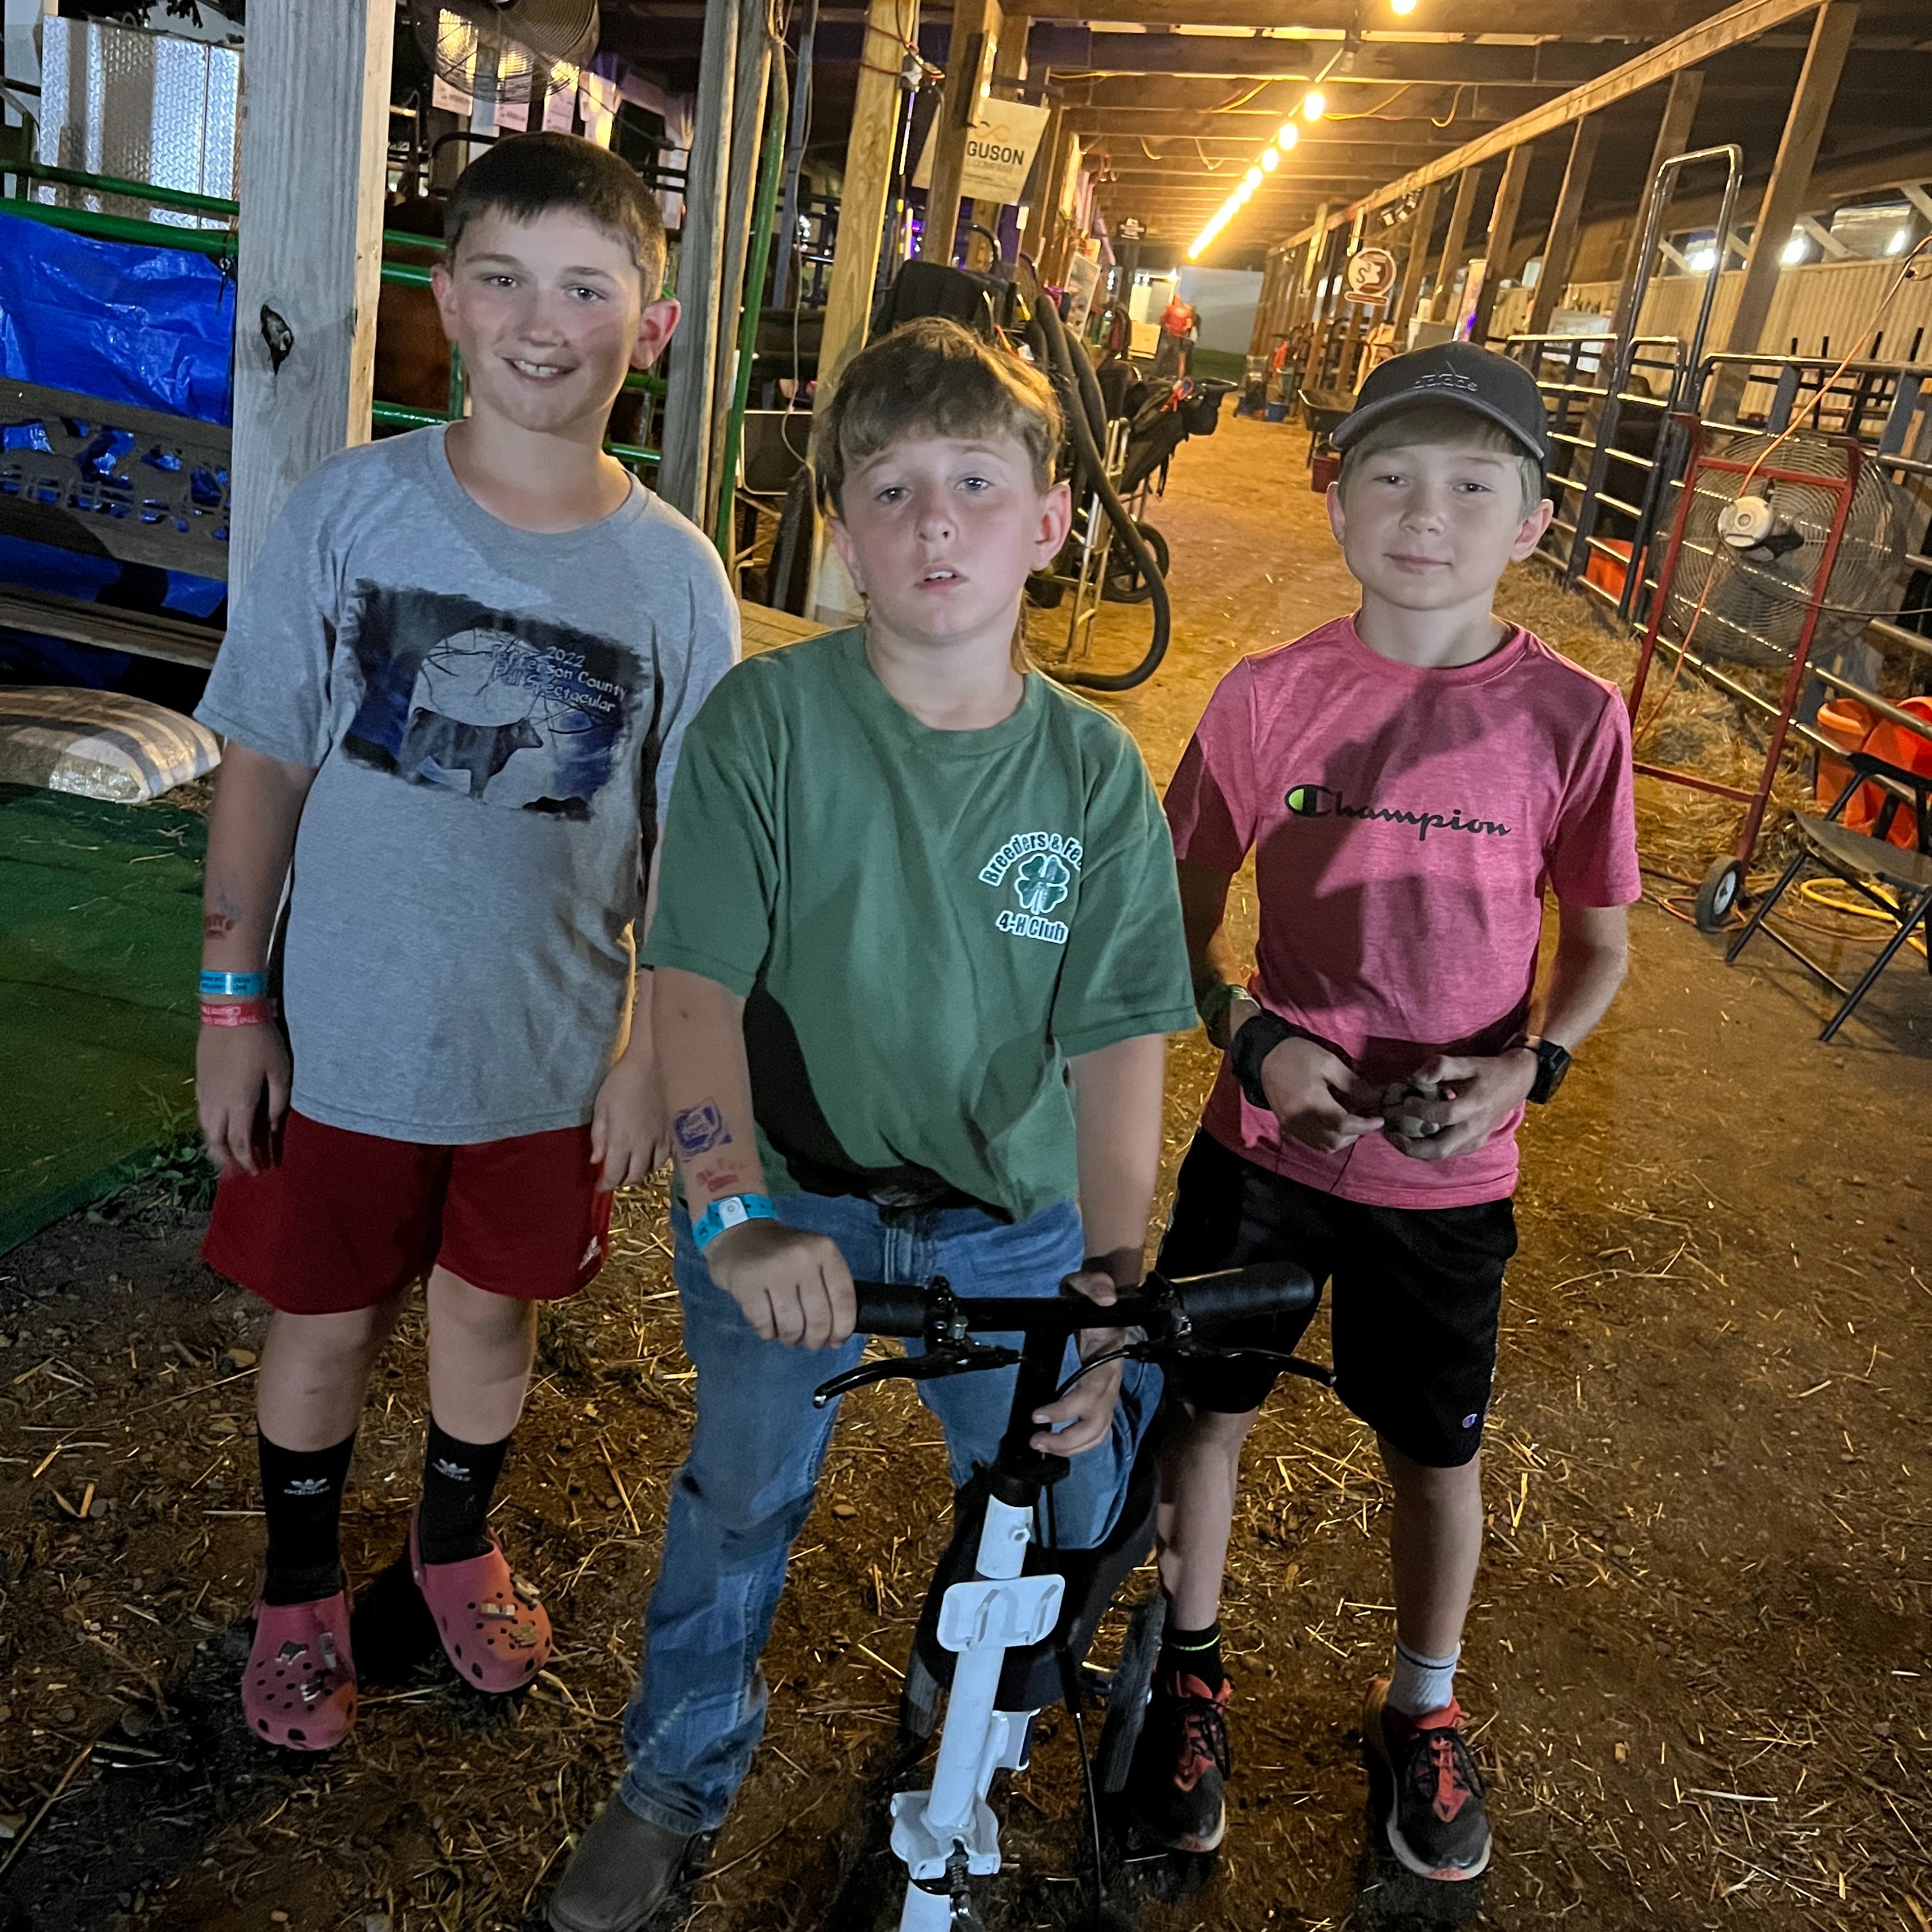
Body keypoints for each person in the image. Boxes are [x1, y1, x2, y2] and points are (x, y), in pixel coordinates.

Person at [546, 316, 1198, 1932]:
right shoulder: (767, 728)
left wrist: (1113, 1278)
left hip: (1015, 1219)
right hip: (800, 1210)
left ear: (1051, 525)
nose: (933, 524)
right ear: (838, 528)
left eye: (976, 483)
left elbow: (1120, 1040)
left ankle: (981, 1720)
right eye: (890, 488)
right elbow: (691, 987)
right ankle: (676, 1774)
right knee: (742, 1493)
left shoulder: (1097, 775)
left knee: (1061, 1491)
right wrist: (729, 1212)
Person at [192, 133, 738, 1752]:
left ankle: (447, 1543)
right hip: (344, 1034)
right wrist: (236, 997)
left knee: (488, 1317)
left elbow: (690, 837)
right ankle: (300, 1590)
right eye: (502, 277)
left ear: (653, 319)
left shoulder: (675, 575)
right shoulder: (352, 511)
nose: (540, 318)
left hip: (542, 1055)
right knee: (327, 1318)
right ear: (448, 300)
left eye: (587, 285)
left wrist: (653, 1049)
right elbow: (266, 757)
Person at [1124, 342, 1638, 1882]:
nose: (1431, 513)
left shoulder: (1571, 716)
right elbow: (1175, 908)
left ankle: (1422, 1702)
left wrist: (1526, 1067)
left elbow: (1601, 946)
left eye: (1476, 483)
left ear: (1536, 521)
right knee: (1207, 1412)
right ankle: (1191, 1671)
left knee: (1434, 1449)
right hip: (1265, 1146)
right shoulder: (1268, 697)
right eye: (1392, 476)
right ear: (1334, 498)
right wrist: (1254, 1038)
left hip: (1450, 1172)